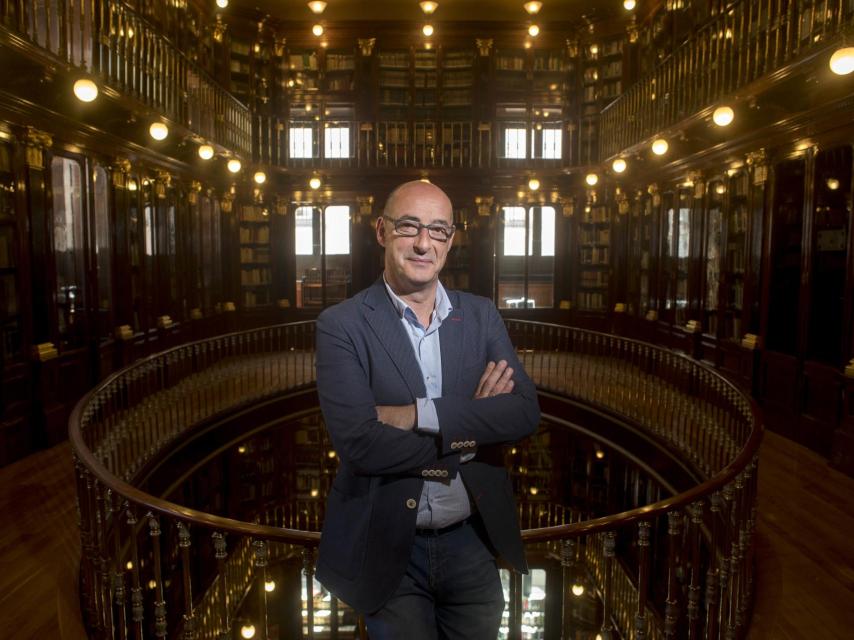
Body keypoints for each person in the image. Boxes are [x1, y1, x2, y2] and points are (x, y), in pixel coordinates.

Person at [314, 179, 540, 639]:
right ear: (381, 231)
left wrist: (417, 413)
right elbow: (360, 444)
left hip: (472, 542)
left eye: (438, 230)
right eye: (409, 227)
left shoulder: (480, 316)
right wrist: (470, 427)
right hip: (389, 547)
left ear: (451, 240)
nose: (423, 243)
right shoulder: (341, 325)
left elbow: (522, 413)